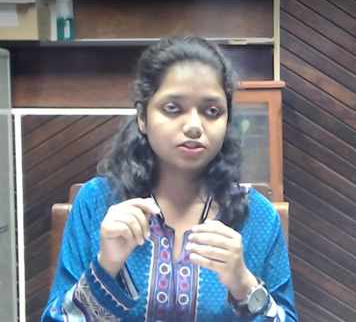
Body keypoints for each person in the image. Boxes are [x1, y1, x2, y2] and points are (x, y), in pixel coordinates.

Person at [43, 35, 297, 322]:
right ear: (142, 117)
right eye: (172, 108)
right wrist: (106, 266)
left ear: (227, 122)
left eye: (212, 111)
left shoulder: (258, 218)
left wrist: (244, 285)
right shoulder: (97, 204)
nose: (193, 126)